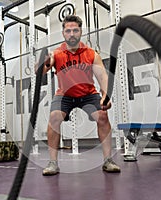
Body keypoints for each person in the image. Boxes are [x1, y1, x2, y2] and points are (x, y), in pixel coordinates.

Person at [39, 15, 120, 175]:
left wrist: (106, 96)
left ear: (80, 32)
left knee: (102, 116)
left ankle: (108, 161)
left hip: (88, 94)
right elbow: (39, 72)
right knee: (54, 117)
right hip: (64, 95)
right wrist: (44, 62)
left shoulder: (91, 54)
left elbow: (103, 77)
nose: (72, 34)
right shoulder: (57, 54)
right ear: (63, 33)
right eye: (68, 31)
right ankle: (53, 163)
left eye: (75, 30)